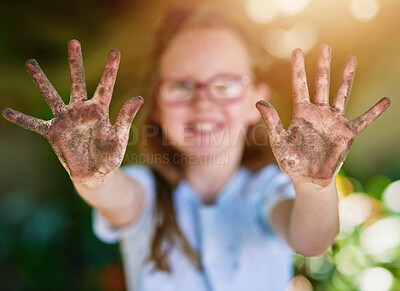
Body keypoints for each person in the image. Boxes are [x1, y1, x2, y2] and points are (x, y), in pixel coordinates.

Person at [2, 5, 391, 291]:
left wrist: (316, 186)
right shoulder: (145, 192)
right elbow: (115, 195)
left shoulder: (267, 191)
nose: (203, 102)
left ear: (256, 101)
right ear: (157, 104)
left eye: (225, 85)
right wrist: (92, 175)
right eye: (183, 85)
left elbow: (311, 238)